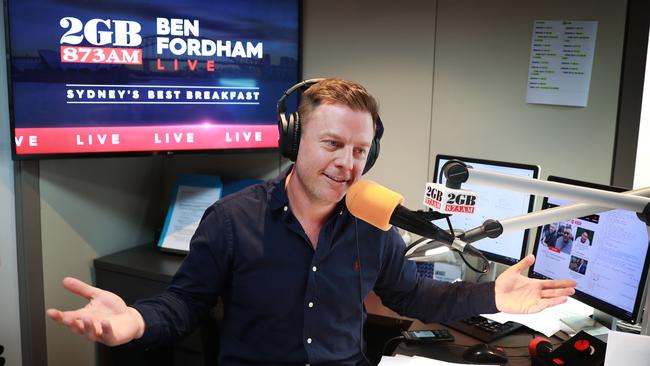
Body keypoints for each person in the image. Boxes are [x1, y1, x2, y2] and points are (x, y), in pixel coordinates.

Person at [47, 78, 576, 365]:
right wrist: (134, 321)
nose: (348, 163)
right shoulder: (231, 220)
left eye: (360, 150)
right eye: (332, 144)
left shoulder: (375, 226)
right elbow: (185, 303)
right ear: (292, 141)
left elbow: (413, 297)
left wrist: (495, 298)